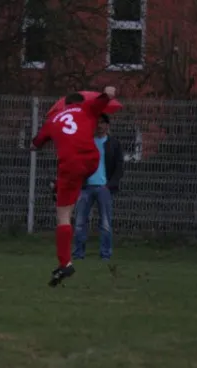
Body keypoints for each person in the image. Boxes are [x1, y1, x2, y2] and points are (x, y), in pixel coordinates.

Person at [30, 86, 117, 287]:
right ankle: (58, 187)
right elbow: (104, 100)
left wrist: (34, 146)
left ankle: (65, 263)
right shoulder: (87, 108)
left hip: (69, 165)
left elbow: (36, 143)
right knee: (71, 181)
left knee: (63, 215)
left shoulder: (53, 120)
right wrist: (108, 93)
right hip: (90, 160)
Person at [72, 114, 124, 261]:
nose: (99, 126)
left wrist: (110, 185)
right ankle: (78, 254)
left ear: (108, 125)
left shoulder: (113, 144)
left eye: (102, 123)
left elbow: (119, 167)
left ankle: (105, 254)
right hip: (85, 187)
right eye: (97, 123)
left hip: (104, 188)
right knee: (80, 222)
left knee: (106, 223)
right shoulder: (86, 143)